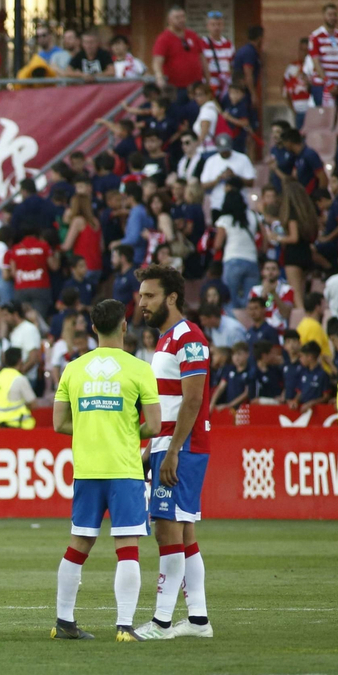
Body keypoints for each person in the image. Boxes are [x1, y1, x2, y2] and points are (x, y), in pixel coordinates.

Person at [48, 298, 159, 642]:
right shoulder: (140, 369)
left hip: (87, 468)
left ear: (93, 328)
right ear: (125, 326)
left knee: (78, 545)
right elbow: (154, 426)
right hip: (123, 469)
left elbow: (59, 423)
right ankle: (124, 626)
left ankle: (64, 623)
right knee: (127, 546)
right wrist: (126, 430)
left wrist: (89, 426)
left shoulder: (73, 369)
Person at [130, 266, 214, 641]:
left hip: (184, 446)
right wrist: (153, 449)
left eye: (149, 296)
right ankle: (198, 620)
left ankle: (162, 622)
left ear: (172, 297)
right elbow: (168, 402)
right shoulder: (165, 340)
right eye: (141, 295)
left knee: (166, 531)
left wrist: (174, 449)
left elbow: (193, 398)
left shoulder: (189, 337)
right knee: (184, 531)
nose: (142, 302)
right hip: (167, 445)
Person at [151, 6, 205, 91]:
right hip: (176, 87)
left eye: (183, 16)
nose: (181, 20)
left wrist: (208, 80)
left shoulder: (192, 35)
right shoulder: (163, 38)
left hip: (196, 86)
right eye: (177, 17)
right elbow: (157, 61)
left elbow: (202, 58)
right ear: (169, 20)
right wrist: (159, 77)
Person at [307, 2, 338, 109]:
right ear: (324, 16)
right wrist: (328, 83)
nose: (333, 18)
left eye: (335, 15)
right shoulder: (316, 36)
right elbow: (316, 62)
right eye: (330, 15)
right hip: (322, 86)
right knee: (325, 118)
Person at [201, 10, 235, 100]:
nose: (216, 28)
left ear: (223, 26)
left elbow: (232, 65)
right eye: (213, 25)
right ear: (207, 26)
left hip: (226, 87)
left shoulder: (228, 44)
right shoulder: (202, 44)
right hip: (210, 85)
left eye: (219, 24)